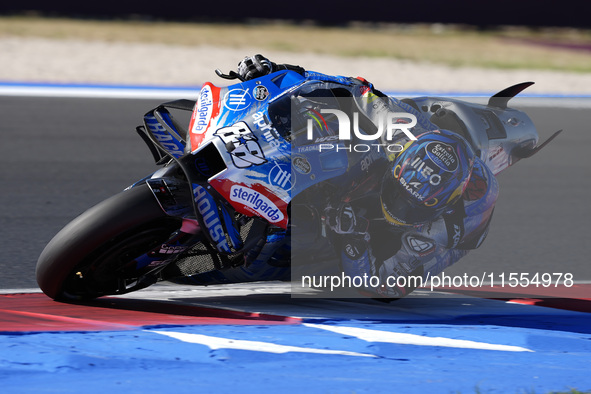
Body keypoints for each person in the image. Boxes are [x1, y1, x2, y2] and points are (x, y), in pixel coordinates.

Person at [235, 54, 499, 298]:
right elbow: (357, 88)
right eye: (398, 195)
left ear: (439, 207)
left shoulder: (438, 235)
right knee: (332, 119)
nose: (397, 208)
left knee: (320, 253)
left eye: (410, 206)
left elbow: (381, 287)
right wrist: (279, 72)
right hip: (402, 151)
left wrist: (354, 236)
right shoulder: (400, 131)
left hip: (406, 241)